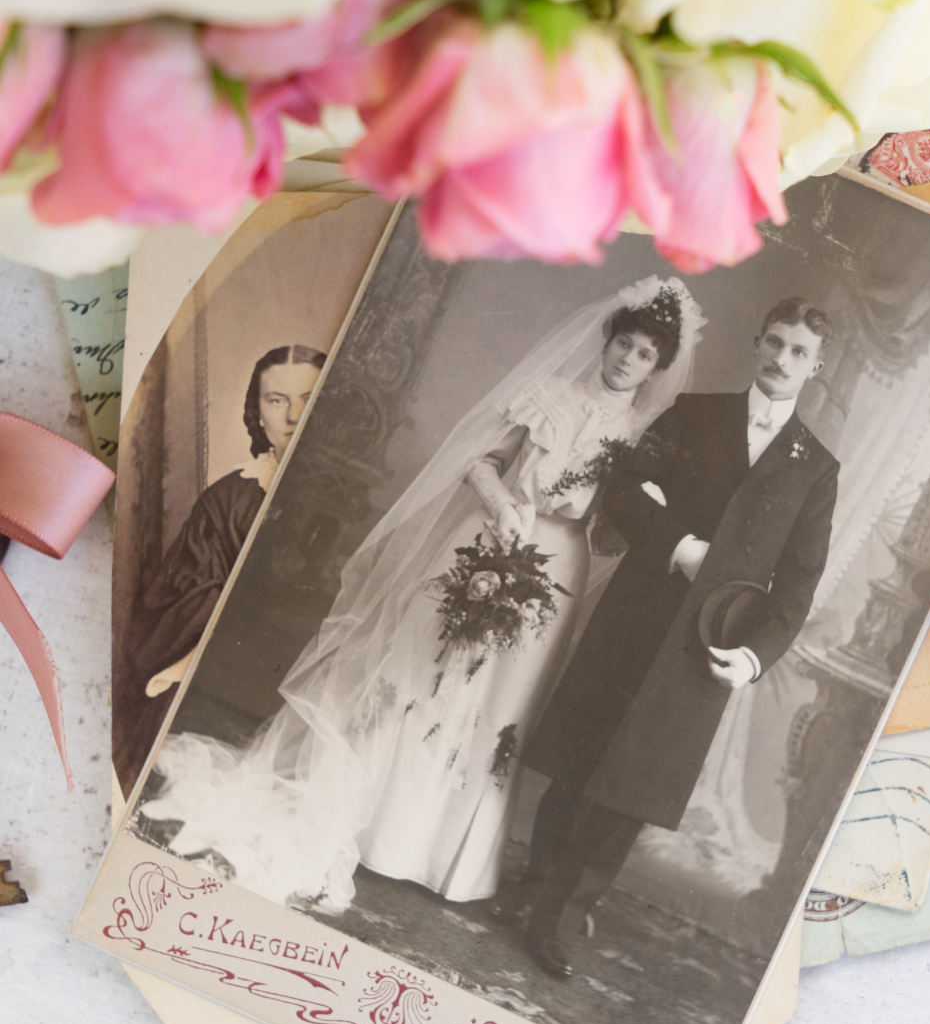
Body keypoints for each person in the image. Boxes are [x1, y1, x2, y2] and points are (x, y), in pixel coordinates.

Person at [139, 277, 705, 912]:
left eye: (645, 355)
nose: (628, 359)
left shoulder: (642, 439)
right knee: (424, 673)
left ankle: (443, 858)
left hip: (558, 567)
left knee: (500, 702)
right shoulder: (547, 396)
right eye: (623, 343)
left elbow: (613, 529)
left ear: (657, 369)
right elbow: (479, 460)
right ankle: (369, 824)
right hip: (491, 537)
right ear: (606, 340)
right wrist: (500, 506)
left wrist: (617, 518)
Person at [520, 297, 840, 977]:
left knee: (635, 786)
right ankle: (535, 893)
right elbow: (625, 489)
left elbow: (799, 583)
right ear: (758, 341)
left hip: (708, 647)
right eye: (776, 343)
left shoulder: (816, 467)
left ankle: (564, 915)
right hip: (637, 616)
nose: (783, 360)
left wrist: (753, 658)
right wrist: (678, 545)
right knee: (582, 761)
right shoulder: (695, 413)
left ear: (816, 366)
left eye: (799, 352)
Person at [131, 345, 326, 700]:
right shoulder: (225, 500)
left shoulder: (348, 498)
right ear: (257, 413)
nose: (294, 416)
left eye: (308, 399)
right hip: (229, 675)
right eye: (277, 401)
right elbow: (181, 607)